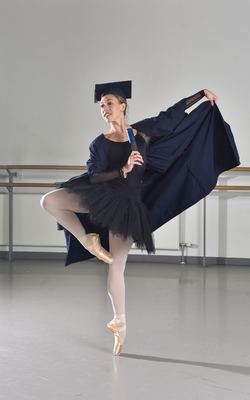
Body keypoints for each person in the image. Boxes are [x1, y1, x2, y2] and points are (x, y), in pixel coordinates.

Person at [41, 80, 239, 356]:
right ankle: (89, 241)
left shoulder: (140, 134)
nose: (105, 109)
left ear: (122, 106)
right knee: (50, 200)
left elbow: (168, 118)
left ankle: (119, 323)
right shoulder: (100, 142)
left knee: (117, 266)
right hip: (103, 197)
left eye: (109, 103)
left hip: (128, 207)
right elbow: (95, 176)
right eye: (101, 105)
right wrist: (121, 169)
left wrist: (201, 95)